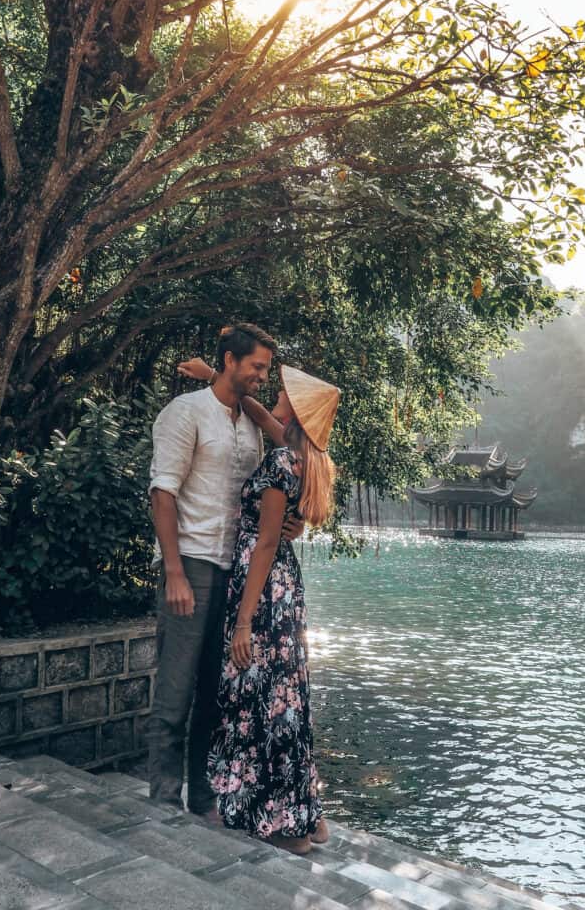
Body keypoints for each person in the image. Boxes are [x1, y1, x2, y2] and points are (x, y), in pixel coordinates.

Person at [182, 360, 339, 853]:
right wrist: (216, 374)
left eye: (286, 394)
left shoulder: (278, 464)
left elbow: (267, 542)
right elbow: (258, 411)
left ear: (296, 411)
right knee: (287, 699)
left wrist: (244, 621)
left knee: (262, 702)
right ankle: (307, 819)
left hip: (264, 592)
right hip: (286, 591)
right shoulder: (303, 456)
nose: (277, 394)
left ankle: (284, 828)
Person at [147, 324, 303, 815]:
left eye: (265, 368)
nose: (261, 375)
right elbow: (162, 493)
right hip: (191, 564)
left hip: (235, 575)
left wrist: (286, 525)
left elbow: (295, 457)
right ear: (230, 360)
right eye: (256, 366)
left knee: (217, 696)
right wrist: (173, 571)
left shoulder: (251, 425)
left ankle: (203, 800)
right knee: (175, 693)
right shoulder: (185, 412)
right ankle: (163, 803)